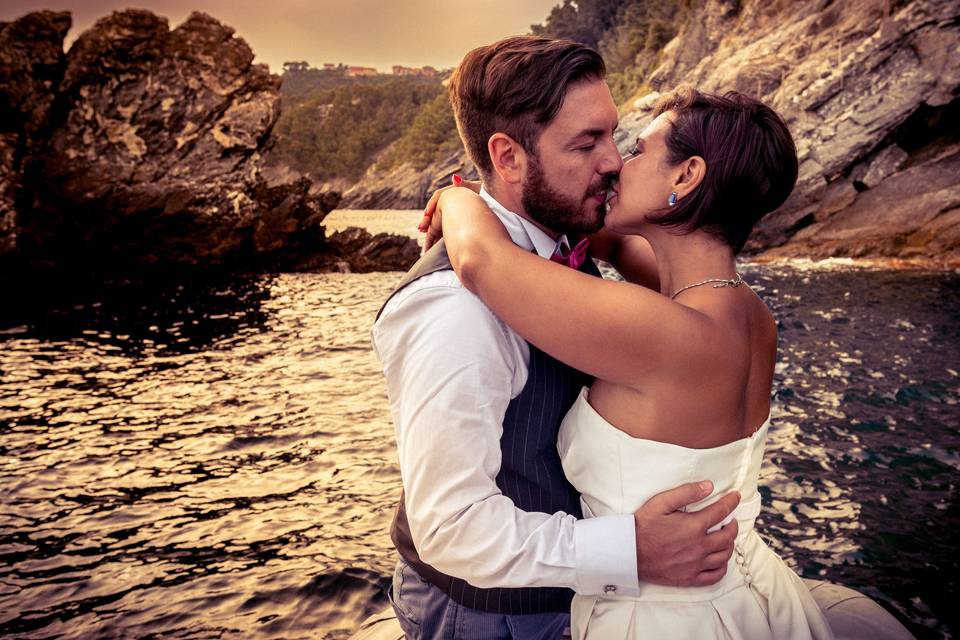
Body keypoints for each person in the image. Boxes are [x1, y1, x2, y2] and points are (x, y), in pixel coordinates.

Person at [423, 85, 837, 639]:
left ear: (686, 177)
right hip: (740, 590)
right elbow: (617, 248)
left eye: (639, 150)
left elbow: (479, 259)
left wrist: (458, 198)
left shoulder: (661, 332)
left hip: (663, 616)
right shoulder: (748, 315)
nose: (618, 163)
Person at [371, 36, 743, 640]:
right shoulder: (453, 312)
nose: (614, 162)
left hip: (570, 599)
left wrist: (459, 195)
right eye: (586, 143)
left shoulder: (569, 240)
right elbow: (451, 526)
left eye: (612, 136)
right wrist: (628, 550)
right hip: (491, 617)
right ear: (509, 158)